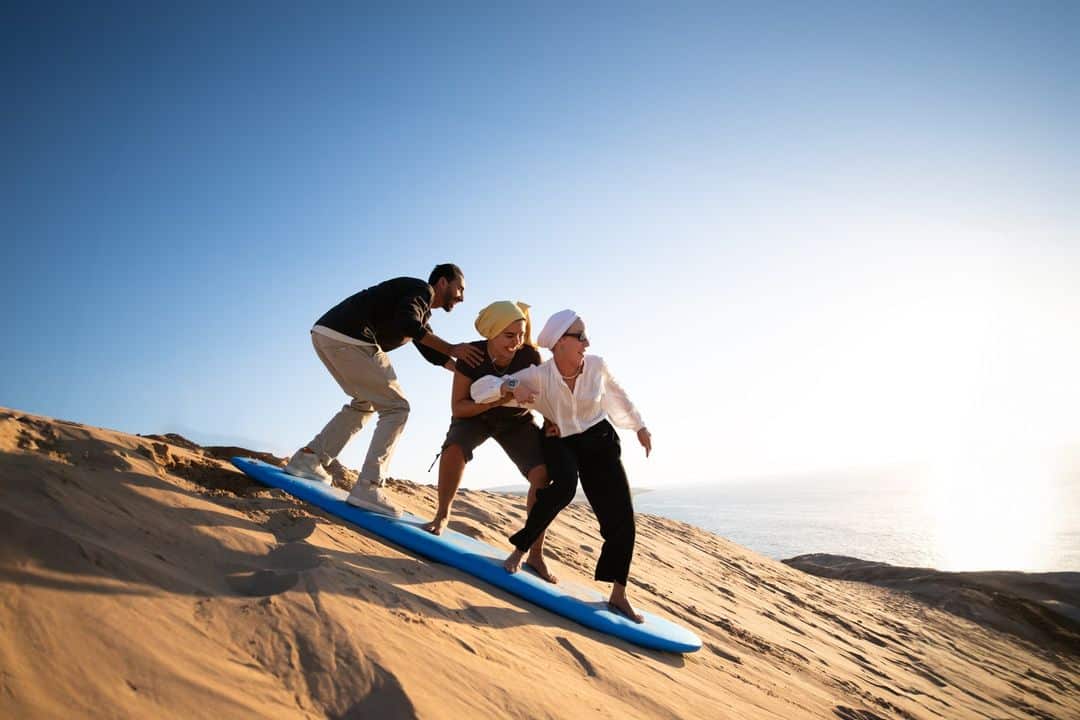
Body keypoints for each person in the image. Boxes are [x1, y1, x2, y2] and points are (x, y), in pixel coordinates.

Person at [470, 310, 653, 622]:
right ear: (559, 344)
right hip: (560, 440)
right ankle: (520, 550)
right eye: (580, 336)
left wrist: (639, 426)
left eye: (585, 336)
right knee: (564, 487)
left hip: (599, 440)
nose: (587, 342)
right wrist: (512, 385)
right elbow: (480, 389)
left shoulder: (596, 366)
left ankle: (619, 593)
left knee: (621, 514)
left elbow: (616, 395)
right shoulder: (539, 376)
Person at [284, 264, 484, 518]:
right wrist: (454, 348)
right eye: (460, 289)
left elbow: (428, 347)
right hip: (350, 338)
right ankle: (368, 486)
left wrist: (464, 373)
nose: (462, 297)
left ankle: (309, 459)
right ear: (443, 282)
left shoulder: (418, 308)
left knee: (365, 402)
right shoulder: (420, 290)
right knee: (397, 408)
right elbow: (409, 325)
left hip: (327, 335)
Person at [421, 301, 556, 582]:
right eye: (509, 335)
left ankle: (535, 552)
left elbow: (546, 397)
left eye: (520, 334)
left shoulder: (529, 356)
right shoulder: (471, 356)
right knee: (454, 450)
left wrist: (550, 423)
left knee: (543, 475)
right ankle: (442, 515)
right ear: (491, 334)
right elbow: (458, 408)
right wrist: (496, 400)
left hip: (516, 421)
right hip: (474, 417)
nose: (516, 342)